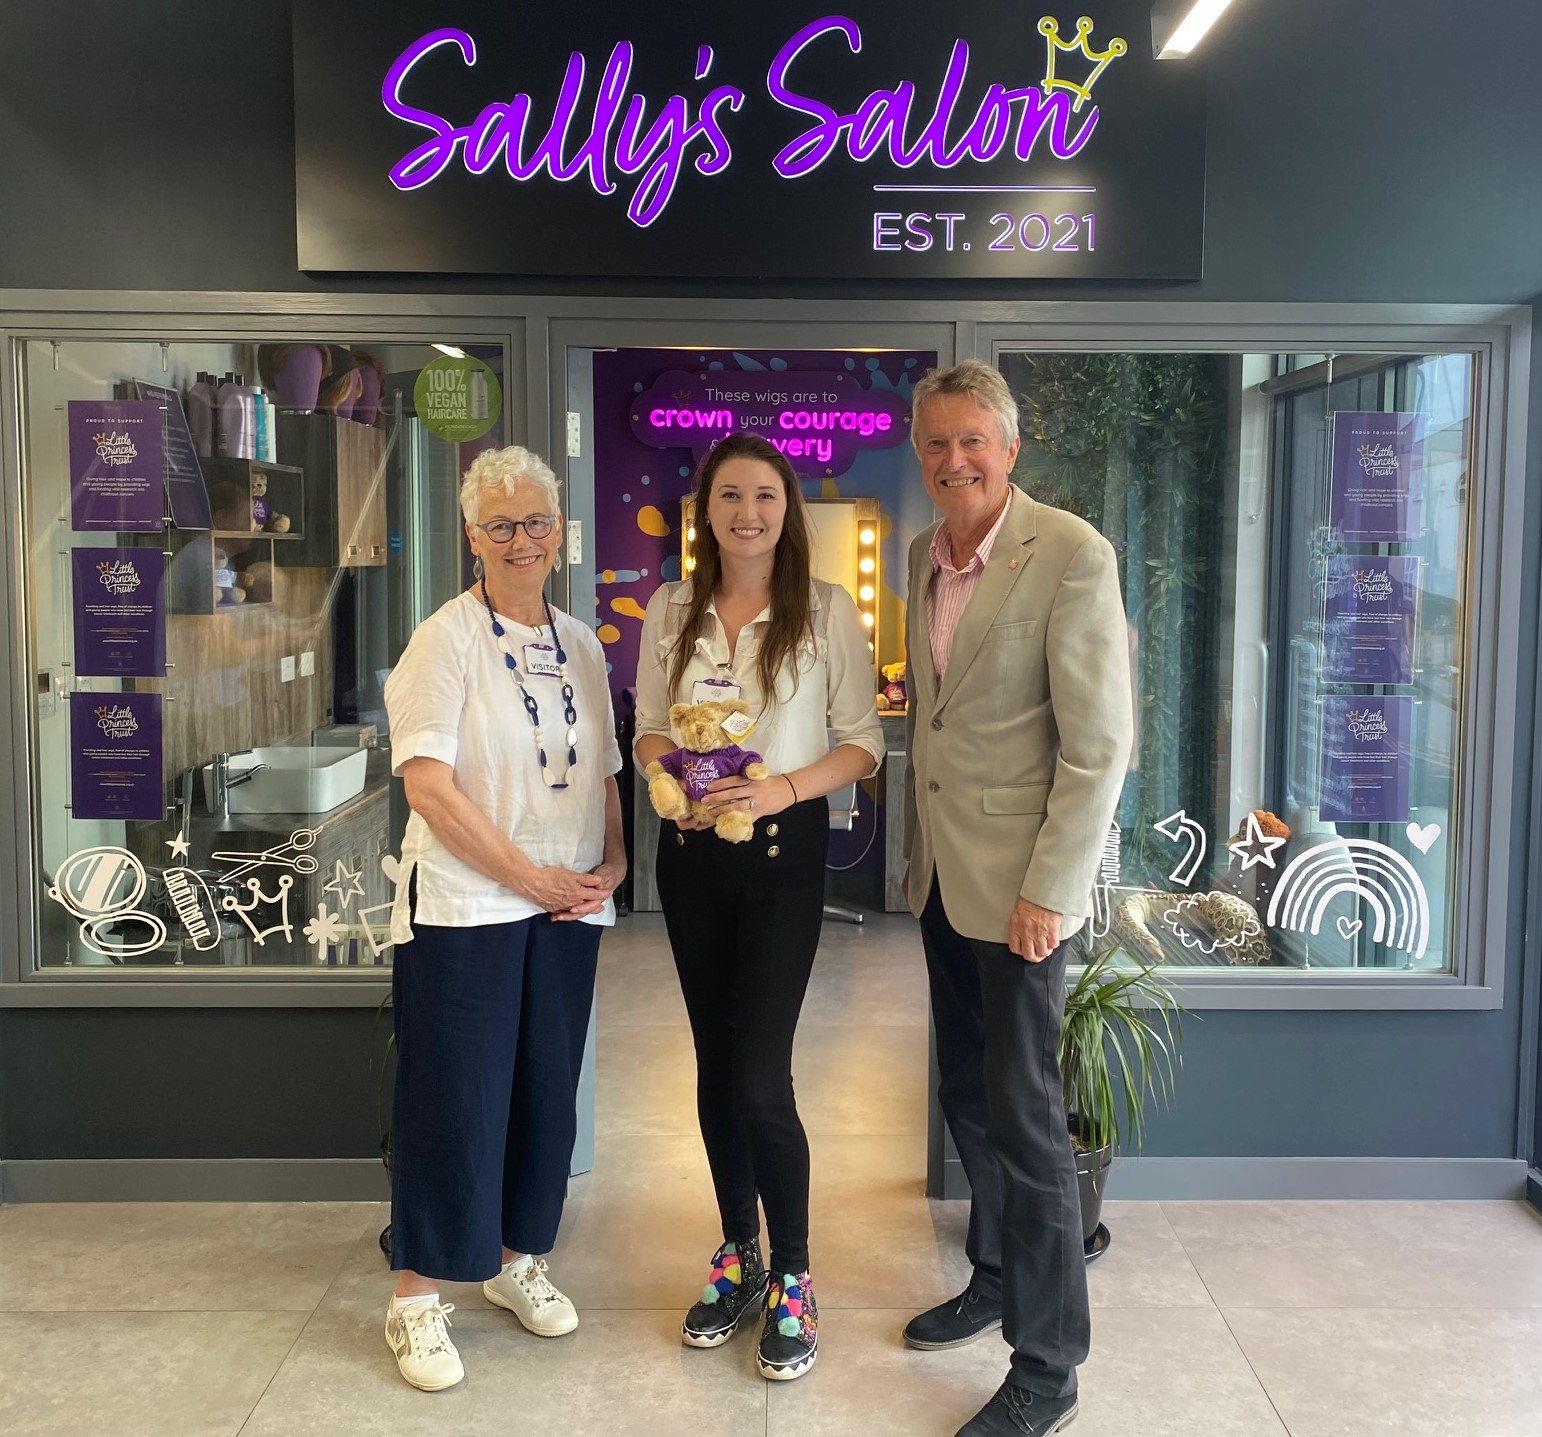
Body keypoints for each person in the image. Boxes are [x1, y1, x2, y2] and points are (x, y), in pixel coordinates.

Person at [901, 362, 1133, 1437]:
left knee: (1030, 1122)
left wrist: (1052, 889)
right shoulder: (924, 556)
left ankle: (1049, 1365)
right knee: (965, 1096)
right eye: (938, 443)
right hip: (950, 881)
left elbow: (1097, 746)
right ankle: (994, 1274)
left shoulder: (1072, 554)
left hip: (1025, 896)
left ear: (1010, 448)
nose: (956, 461)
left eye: (973, 443)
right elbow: (941, 729)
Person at [635, 433, 884, 1382]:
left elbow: (862, 743)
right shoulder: (671, 606)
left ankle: (796, 1275)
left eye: (765, 497)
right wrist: (676, 767)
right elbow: (650, 720)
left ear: (788, 509)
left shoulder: (826, 611)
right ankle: (737, 1251)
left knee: (759, 1073)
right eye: (730, 496)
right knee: (711, 1063)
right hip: (693, 857)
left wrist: (779, 788)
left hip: (782, 858)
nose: (748, 513)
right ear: (707, 510)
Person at [380, 445, 626, 1392]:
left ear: (558, 532)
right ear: (471, 535)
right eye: (500, 524)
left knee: (541, 1092)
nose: (520, 539)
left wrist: (611, 863)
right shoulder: (444, 640)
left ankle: (520, 1258)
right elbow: (430, 788)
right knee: (453, 1098)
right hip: (468, 905)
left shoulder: (584, 645)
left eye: (535, 521)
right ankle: (413, 1297)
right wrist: (529, 873)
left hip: (566, 907)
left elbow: (603, 773)